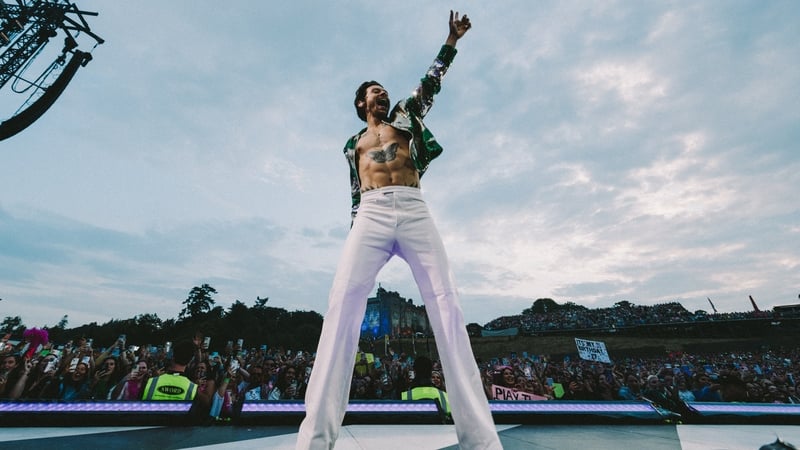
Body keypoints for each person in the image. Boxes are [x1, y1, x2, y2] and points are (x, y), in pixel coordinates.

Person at [296, 11, 502, 450]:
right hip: (369, 213)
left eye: (384, 90)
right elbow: (354, 191)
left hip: (413, 206)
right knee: (341, 305)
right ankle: (314, 439)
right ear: (361, 104)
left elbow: (431, 83)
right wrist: (356, 231)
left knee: (446, 304)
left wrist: (451, 41)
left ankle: (482, 441)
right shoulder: (352, 145)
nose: (383, 93)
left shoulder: (406, 117)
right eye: (375, 91)